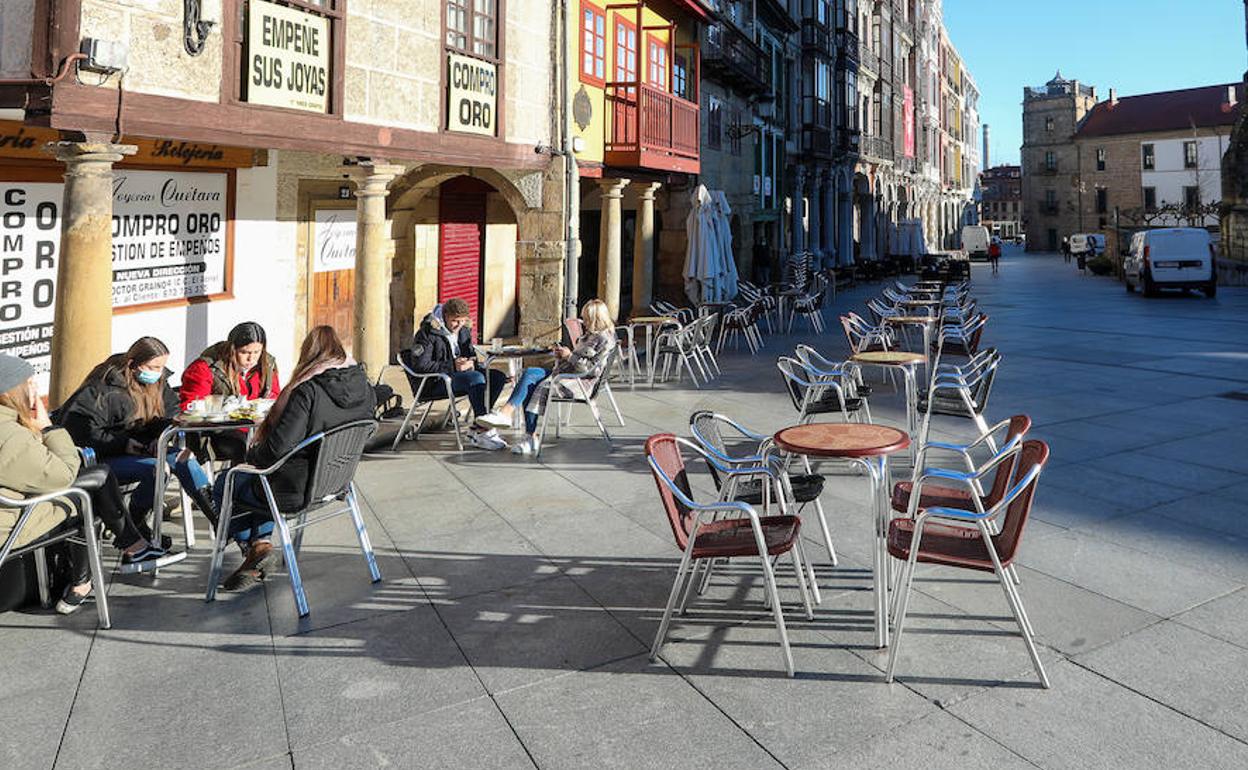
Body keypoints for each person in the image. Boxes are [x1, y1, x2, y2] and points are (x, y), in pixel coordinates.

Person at [0, 355, 181, 615]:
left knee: (95, 481)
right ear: (12, 390)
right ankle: (87, 579)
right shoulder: (10, 436)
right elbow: (63, 474)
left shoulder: (10, 429)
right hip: (14, 523)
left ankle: (128, 551)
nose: (35, 390)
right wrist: (49, 429)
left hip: (13, 506)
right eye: (30, 383)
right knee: (89, 494)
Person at [212, 325, 375, 591]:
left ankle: (253, 547)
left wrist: (252, 455)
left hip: (295, 489)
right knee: (256, 478)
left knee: (227, 483)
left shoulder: (307, 392)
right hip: (337, 483)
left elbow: (276, 449)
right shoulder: (363, 386)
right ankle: (259, 546)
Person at [56, 337, 215, 531]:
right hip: (105, 456)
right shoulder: (101, 390)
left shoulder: (159, 383)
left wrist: (162, 436)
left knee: (185, 460)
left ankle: (221, 519)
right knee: (157, 470)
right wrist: (124, 443)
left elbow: (172, 413)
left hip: (144, 448)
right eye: (153, 367)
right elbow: (81, 434)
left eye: (162, 367)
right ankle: (135, 524)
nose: (158, 373)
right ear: (133, 365)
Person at [476, 299, 616, 457]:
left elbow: (591, 370)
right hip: (565, 373)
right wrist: (563, 355)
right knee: (528, 374)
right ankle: (506, 414)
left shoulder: (604, 340)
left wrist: (569, 356)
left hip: (580, 383)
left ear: (596, 319)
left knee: (536, 385)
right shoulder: (591, 336)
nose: (584, 322)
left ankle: (530, 436)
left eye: (587, 319)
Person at [405, 298, 509, 451]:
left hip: (459, 376)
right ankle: (483, 432)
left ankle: (479, 426)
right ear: (445, 316)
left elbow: (470, 354)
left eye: (462, 321)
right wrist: (453, 365)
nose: (458, 325)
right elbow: (420, 365)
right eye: (455, 321)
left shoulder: (463, 330)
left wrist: (471, 362)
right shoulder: (427, 333)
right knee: (476, 379)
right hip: (434, 382)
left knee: (497, 377)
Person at [179, 322, 282, 462]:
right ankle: (238, 482)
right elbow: (192, 407)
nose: (251, 359)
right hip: (217, 433)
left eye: (256, 352)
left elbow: (274, 397)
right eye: (244, 352)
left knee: (282, 442)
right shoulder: (205, 368)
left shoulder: (267, 364)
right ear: (232, 349)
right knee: (246, 447)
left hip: (257, 428)